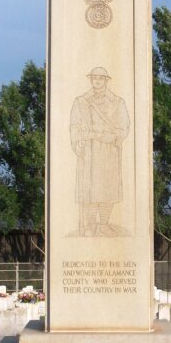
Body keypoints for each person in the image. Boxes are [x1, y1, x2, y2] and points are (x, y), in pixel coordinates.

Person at [69, 67, 130, 236]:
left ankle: (103, 224)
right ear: (91, 79)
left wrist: (116, 136)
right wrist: (76, 143)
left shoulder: (118, 102)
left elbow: (124, 126)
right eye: (94, 78)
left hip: (108, 150)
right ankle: (89, 226)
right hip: (89, 150)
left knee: (107, 190)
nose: (97, 81)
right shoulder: (80, 101)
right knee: (89, 191)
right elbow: (74, 126)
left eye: (100, 78)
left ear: (106, 80)